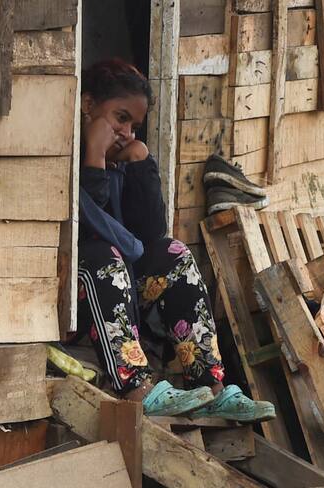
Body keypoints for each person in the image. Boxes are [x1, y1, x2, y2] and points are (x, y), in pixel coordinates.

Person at [76, 58, 275, 422]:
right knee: (102, 253)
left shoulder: (123, 158)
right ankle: (135, 386)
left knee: (174, 253)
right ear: (88, 105)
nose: (127, 132)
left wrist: (139, 161)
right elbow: (88, 229)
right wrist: (92, 156)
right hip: (77, 296)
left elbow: (150, 236)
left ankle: (211, 387)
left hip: (123, 293)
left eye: (135, 125)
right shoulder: (69, 154)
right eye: (121, 118)